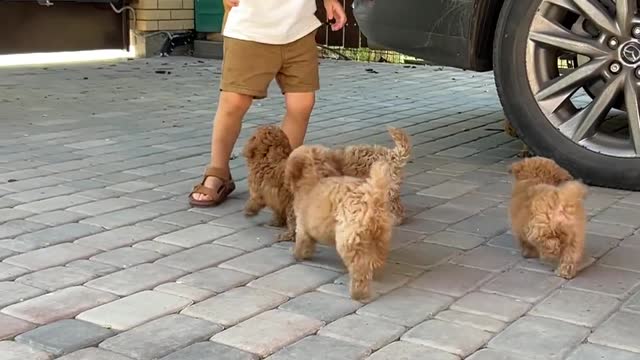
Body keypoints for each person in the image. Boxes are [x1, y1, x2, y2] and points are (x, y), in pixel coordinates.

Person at [189, 0, 347, 207]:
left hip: (299, 28)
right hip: (248, 29)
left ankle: (282, 176)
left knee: (302, 103)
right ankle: (218, 172)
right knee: (234, 102)